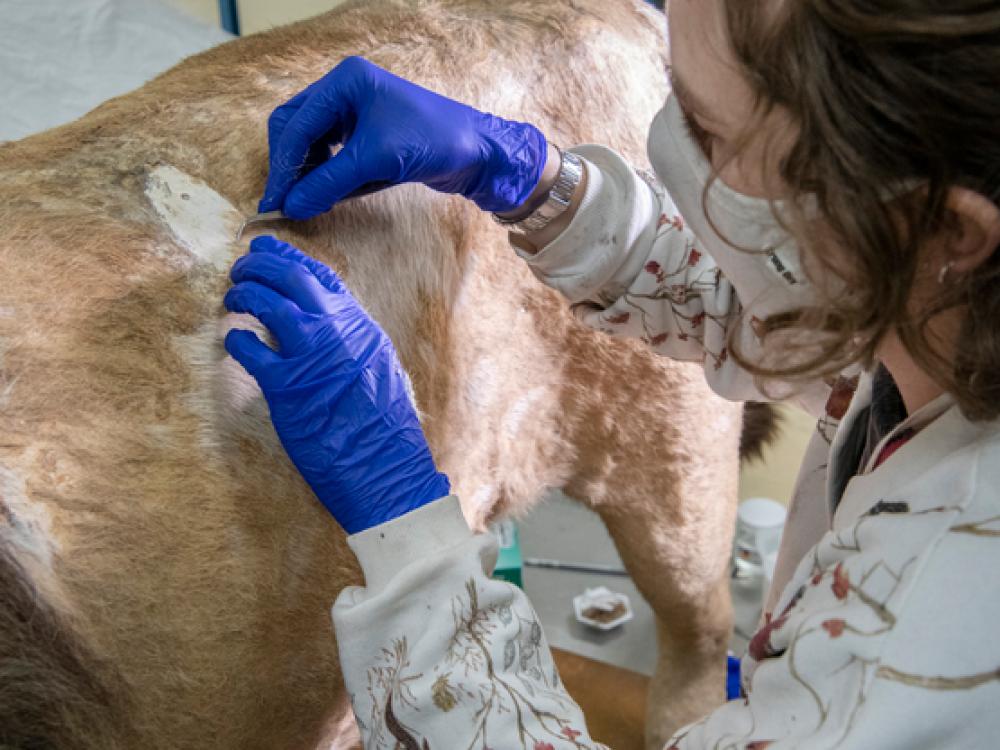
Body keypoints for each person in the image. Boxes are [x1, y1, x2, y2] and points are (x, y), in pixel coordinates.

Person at [222, 1, 1000, 747]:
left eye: (709, 129)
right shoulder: (950, 309)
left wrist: (407, 537)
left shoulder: (938, 634)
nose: (669, 146)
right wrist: (532, 180)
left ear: (941, 228)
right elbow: (796, 299)